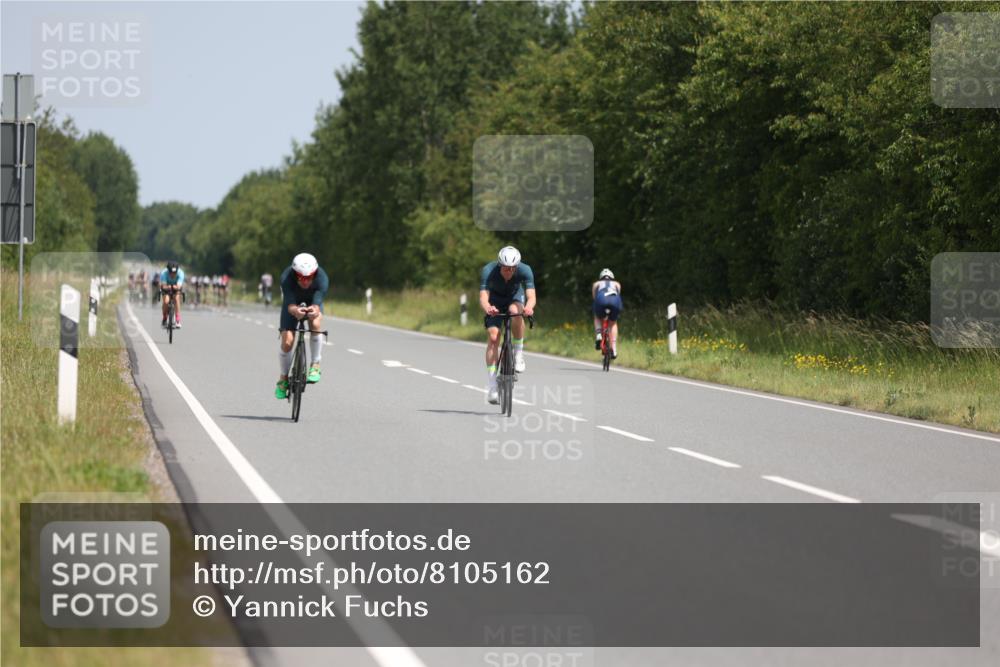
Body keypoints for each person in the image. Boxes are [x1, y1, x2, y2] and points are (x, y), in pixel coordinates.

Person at [479, 246, 536, 405]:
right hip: (495, 303)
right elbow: (483, 297)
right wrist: (488, 308)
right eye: (505, 268)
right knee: (493, 336)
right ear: (499, 265)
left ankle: (518, 354)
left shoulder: (525, 270)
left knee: (514, 312)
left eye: (512, 269)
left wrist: (529, 307)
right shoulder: (488, 271)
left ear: (517, 266)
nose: (508, 272)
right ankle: (492, 386)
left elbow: (531, 296)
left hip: (514, 298)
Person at [274, 253, 329, 399]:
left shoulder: (322, 278)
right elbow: (290, 305)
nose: (305, 281)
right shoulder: (286, 278)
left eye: (310, 277)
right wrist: (295, 311)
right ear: (295, 274)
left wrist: (314, 310)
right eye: (301, 278)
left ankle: (315, 364)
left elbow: (317, 305)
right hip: (292, 304)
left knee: (316, 323)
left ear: (315, 274)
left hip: (312, 302)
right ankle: (283, 378)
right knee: (287, 342)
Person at [592, 268, 623, 358]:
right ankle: (614, 348)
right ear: (612, 277)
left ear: (600, 277)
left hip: (601, 300)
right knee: (613, 323)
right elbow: (618, 294)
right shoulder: (617, 284)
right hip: (614, 301)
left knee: (597, 317)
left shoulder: (596, 284)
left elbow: (595, 298)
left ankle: (598, 334)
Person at [160, 261, 185, 328]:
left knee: (176, 298)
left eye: (175, 273)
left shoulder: (181, 273)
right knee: (166, 301)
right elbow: (164, 286)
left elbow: (178, 286)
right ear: (168, 271)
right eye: (171, 273)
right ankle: (164, 317)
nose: (173, 274)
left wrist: (173, 287)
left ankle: (177, 319)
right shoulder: (163, 273)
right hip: (166, 287)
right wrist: (168, 287)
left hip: (175, 287)